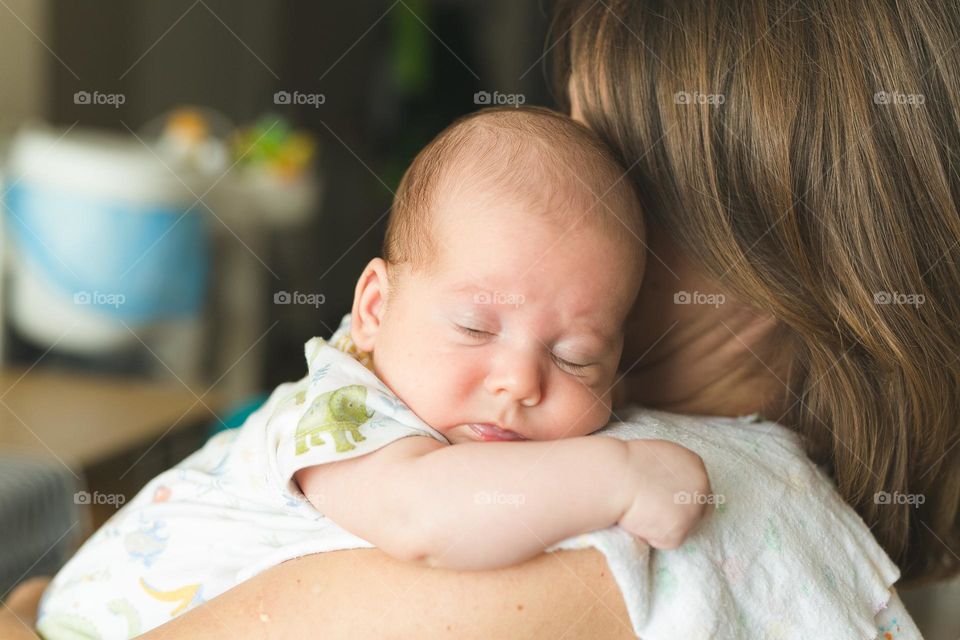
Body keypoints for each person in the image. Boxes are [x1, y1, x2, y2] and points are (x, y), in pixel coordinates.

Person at [6, 0, 958, 637]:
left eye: (617, 170)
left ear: (765, 239)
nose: (519, 375)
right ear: (374, 303)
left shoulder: (674, 507)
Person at [34, 107, 710, 639]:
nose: (520, 382)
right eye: (476, 328)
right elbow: (424, 515)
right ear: (374, 310)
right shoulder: (344, 407)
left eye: (575, 357)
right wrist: (618, 477)